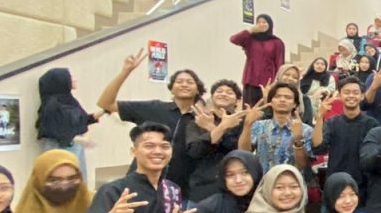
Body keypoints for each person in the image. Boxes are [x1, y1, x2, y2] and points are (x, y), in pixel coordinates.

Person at [97, 47, 205, 192]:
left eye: (190, 82)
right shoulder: (154, 108)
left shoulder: (202, 118)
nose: (184, 84)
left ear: (198, 89)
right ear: (171, 88)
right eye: (179, 81)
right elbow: (105, 103)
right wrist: (125, 72)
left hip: (179, 190)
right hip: (140, 186)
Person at [185, 80, 247, 202]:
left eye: (229, 92)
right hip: (202, 188)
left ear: (238, 100)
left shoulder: (242, 123)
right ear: (212, 97)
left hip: (234, 189)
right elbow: (195, 151)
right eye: (219, 91)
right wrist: (220, 128)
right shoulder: (198, 121)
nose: (223, 94)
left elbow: (237, 151)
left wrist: (211, 128)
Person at [36, 67, 103, 179]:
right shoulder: (51, 105)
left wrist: (104, 111)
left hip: (75, 148)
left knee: (78, 181)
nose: (74, 80)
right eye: (70, 77)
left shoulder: (70, 101)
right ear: (61, 82)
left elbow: (82, 120)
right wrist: (79, 139)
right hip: (59, 151)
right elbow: (53, 131)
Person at [313, 77, 380, 189]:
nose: (351, 96)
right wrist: (320, 116)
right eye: (347, 92)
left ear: (362, 96)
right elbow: (318, 148)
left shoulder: (371, 124)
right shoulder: (331, 123)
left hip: (363, 184)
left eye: (355, 92)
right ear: (339, 96)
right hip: (335, 182)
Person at [238, 83, 313, 175]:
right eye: (277, 96)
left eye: (288, 97)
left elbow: (303, 165)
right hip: (264, 180)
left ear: (295, 104)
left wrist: (298, 139)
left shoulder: (306, 130)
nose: (282, 100)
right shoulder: (259, 126)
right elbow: (243, 153)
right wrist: (247, 125)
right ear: (271, 102)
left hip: (293, 181)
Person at [230, 15, 285, 106]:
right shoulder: (250, 39)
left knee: (265, 106)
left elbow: (279, 62)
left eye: (264, 22)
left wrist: (278, 82)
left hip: (268, 81)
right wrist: (250, 30)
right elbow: (234, 39)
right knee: (249, 107)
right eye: (259, 22)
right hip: (250, 79)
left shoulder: (277, 42)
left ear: (270, 25)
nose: (261, 24)